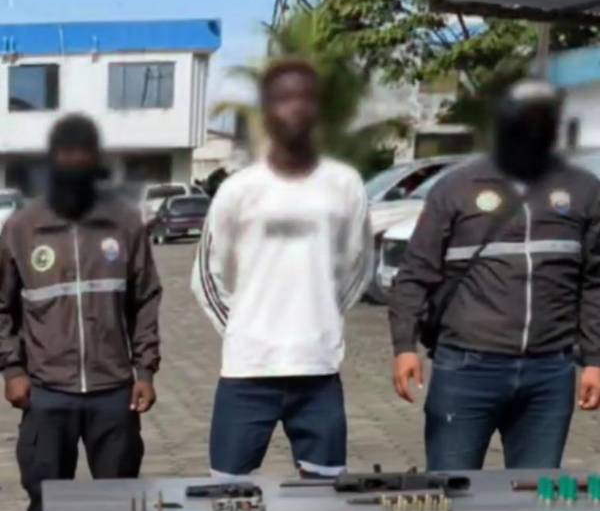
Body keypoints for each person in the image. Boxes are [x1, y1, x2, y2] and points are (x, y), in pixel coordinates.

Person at [389, 79, 600, 471]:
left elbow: (594, 282)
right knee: (451, 491)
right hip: (467, 369)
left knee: (532, 498)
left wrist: (594, 360)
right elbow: (415, 273)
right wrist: (404, 347)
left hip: (549, 374)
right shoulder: (457, 187)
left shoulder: (584, 190)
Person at [0, 114, 162, 511]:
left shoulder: (124, 223)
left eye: (83, 154)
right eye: (65, 153)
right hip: (46, 393)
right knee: (46, 505)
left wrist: (145, 370)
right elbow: (2, 306)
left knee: (119, 506)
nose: (73, 162)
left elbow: (146, 299)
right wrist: (12, 369)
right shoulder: (22, 228)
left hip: (114, 393)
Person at [192, 59, 372, 477]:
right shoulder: (238, 190)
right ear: (266, 111)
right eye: (283, 99)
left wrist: (319, 319)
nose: (295, 107)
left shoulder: (345, 185)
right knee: (227, 495)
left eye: (306, 98)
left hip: (318, 373)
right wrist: (246, 328)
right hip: (247, 374)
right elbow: (207, 277)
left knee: (325, 499)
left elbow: (359, 266)